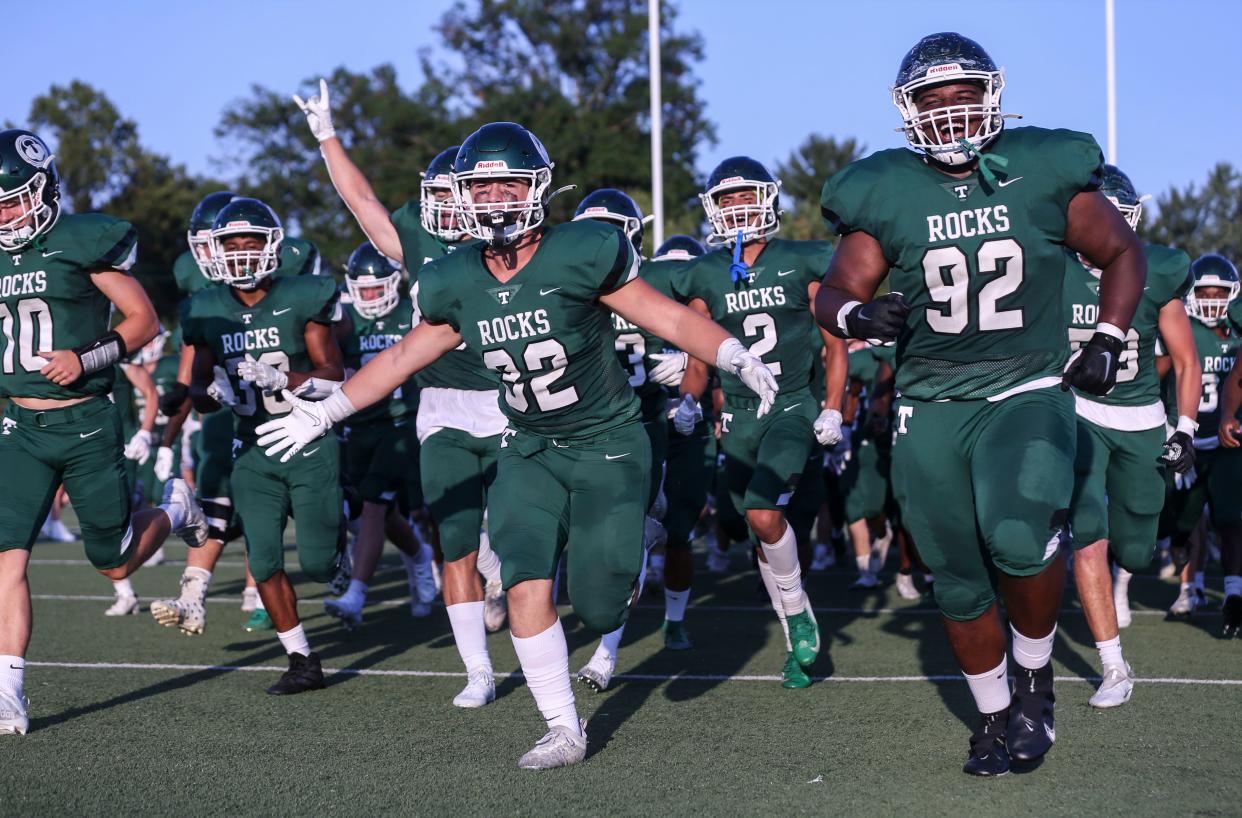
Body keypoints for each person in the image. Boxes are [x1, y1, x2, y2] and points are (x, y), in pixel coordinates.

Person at [254, 121, 778, 768]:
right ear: (461, 197)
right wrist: (325, 411)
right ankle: (564, 729)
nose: (497, 198)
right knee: (525, 576)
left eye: (509, 183)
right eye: (482, 186)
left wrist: (731, 353)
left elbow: (665, 315)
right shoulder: (453, 280)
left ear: (538, 188)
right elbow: (400, 359)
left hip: (608, 443)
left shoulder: (581, 252)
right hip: (528, 445)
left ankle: (623, 567)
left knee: (597, 598)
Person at [815, 34, 1145, 775]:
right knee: (957, 574)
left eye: (962, 95)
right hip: (930, 402)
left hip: (1025, 387)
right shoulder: (885, 186)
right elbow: (836, 293)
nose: (950, 113)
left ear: (992, 95)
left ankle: (1035, 676)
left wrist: (1108, 335)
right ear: (907, 112)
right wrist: (858, 319)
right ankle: (993, 715)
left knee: (1020, 533)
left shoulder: (1040, 165)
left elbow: (1123, 251)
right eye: (932, 101)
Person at [0, 129, 206, 735]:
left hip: (85, 419)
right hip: (17, 424)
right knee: (6, 560)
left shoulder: (77, 241)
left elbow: (143, 321)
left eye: (13, 198)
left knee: (113, 565)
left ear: (43, 190)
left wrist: (86, 358)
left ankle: (177, 506)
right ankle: (9, 691)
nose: (5, 212)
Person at [671, 155, 847, 689]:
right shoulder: (704, 272)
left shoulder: (803, 260)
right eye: (727, 199)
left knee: (765, 512)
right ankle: (799, 641)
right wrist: (688, 399)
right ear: (712, 208)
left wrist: (834, 405)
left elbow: (835, 344)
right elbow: (700, 356)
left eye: (746, 196)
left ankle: (796, 614)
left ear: (768, 199)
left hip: (792, 403)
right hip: (741, 415)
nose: (737, 207)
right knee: (758, 529)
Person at [181, 196, 344, 695]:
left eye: (252, 243)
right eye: (232, 245)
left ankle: (339, 543)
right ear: (214, 251)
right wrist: (209, 392)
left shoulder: (304, 295)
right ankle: (301, 659)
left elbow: (335, 376)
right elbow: (198, 391)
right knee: (266, 560)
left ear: (273, 247)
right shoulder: (206, 307)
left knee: (317, 565)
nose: (242, 254)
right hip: (252, 452)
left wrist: (285, 377)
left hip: (309, 442)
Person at [1063, 164, 1199, 708]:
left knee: (1139, 548)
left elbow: (1186, 361)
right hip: (1077, 412)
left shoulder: (1154, 268)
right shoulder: (1051, 266)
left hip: (1141, 417)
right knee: (1087, 534)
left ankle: (1123, 573)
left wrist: (1185, 426)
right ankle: (1113, 665)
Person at [324, 241, 437, 627]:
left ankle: (356, 594)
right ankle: (420, 559)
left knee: (374, 504)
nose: (370, 297)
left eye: (377, 288)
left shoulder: (413, 311)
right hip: (357, 426)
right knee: (384, 514)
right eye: (364, 289)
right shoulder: (344, 318)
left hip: (402, 421)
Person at [1160, 254, 1241, 629]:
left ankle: (1228, 591)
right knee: (1184, 522)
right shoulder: (1180, 328)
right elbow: (1157, 381)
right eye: (1204, 292)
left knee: (1229, 518)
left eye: (1219, 293)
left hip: (1229, 442)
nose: (1211, 299)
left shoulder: (1237, 332)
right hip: (1189, 437)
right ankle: (1187, 582)